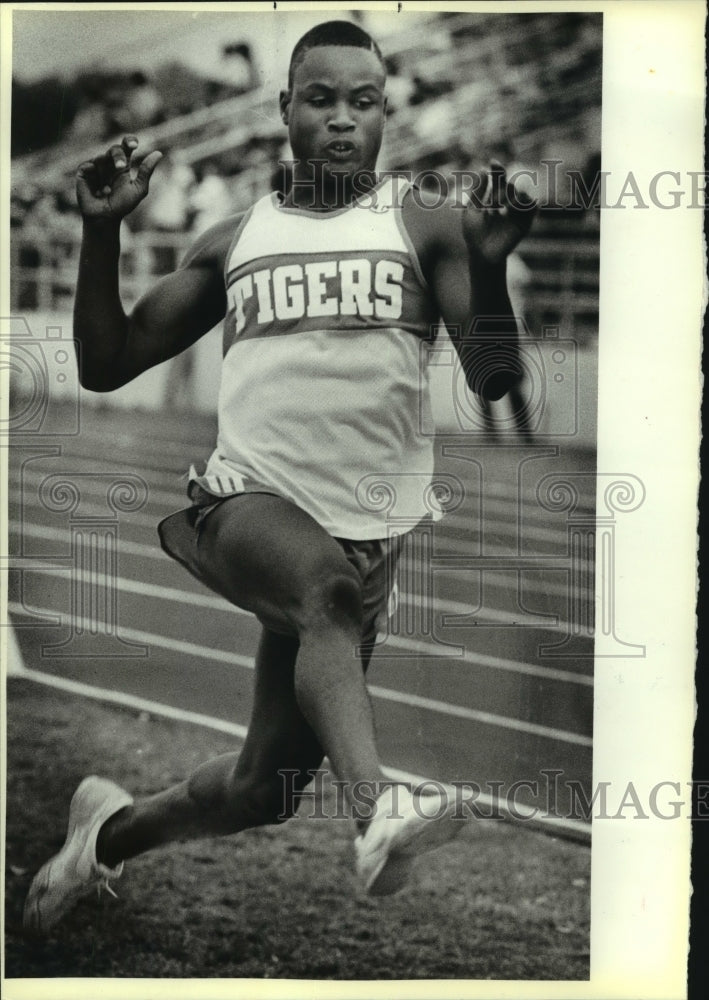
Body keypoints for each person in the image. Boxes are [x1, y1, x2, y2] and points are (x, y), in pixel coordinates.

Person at [23, 20, 535, 934]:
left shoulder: (423, 222)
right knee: (323, 594)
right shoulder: (235, 238)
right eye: (322, 99)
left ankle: (101, 839)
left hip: (361, 540)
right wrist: (100, 235)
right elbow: (107, 363)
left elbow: (494, 373)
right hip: (243, 505)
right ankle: (382, 809)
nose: (343, 120)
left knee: (265, 788)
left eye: (364, 102)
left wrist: (490, 272)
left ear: (385, 116)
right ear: (284, 110)